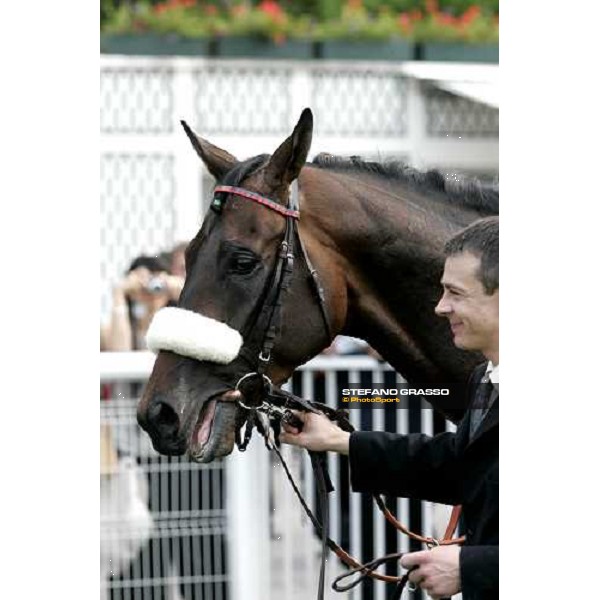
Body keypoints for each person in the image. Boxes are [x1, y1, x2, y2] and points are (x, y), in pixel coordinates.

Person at [280, 216, 499, 599]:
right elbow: (456, 464)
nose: (440, 308)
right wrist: (339, 440)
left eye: (455, 293)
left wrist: (471, 568)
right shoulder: (486, 377)